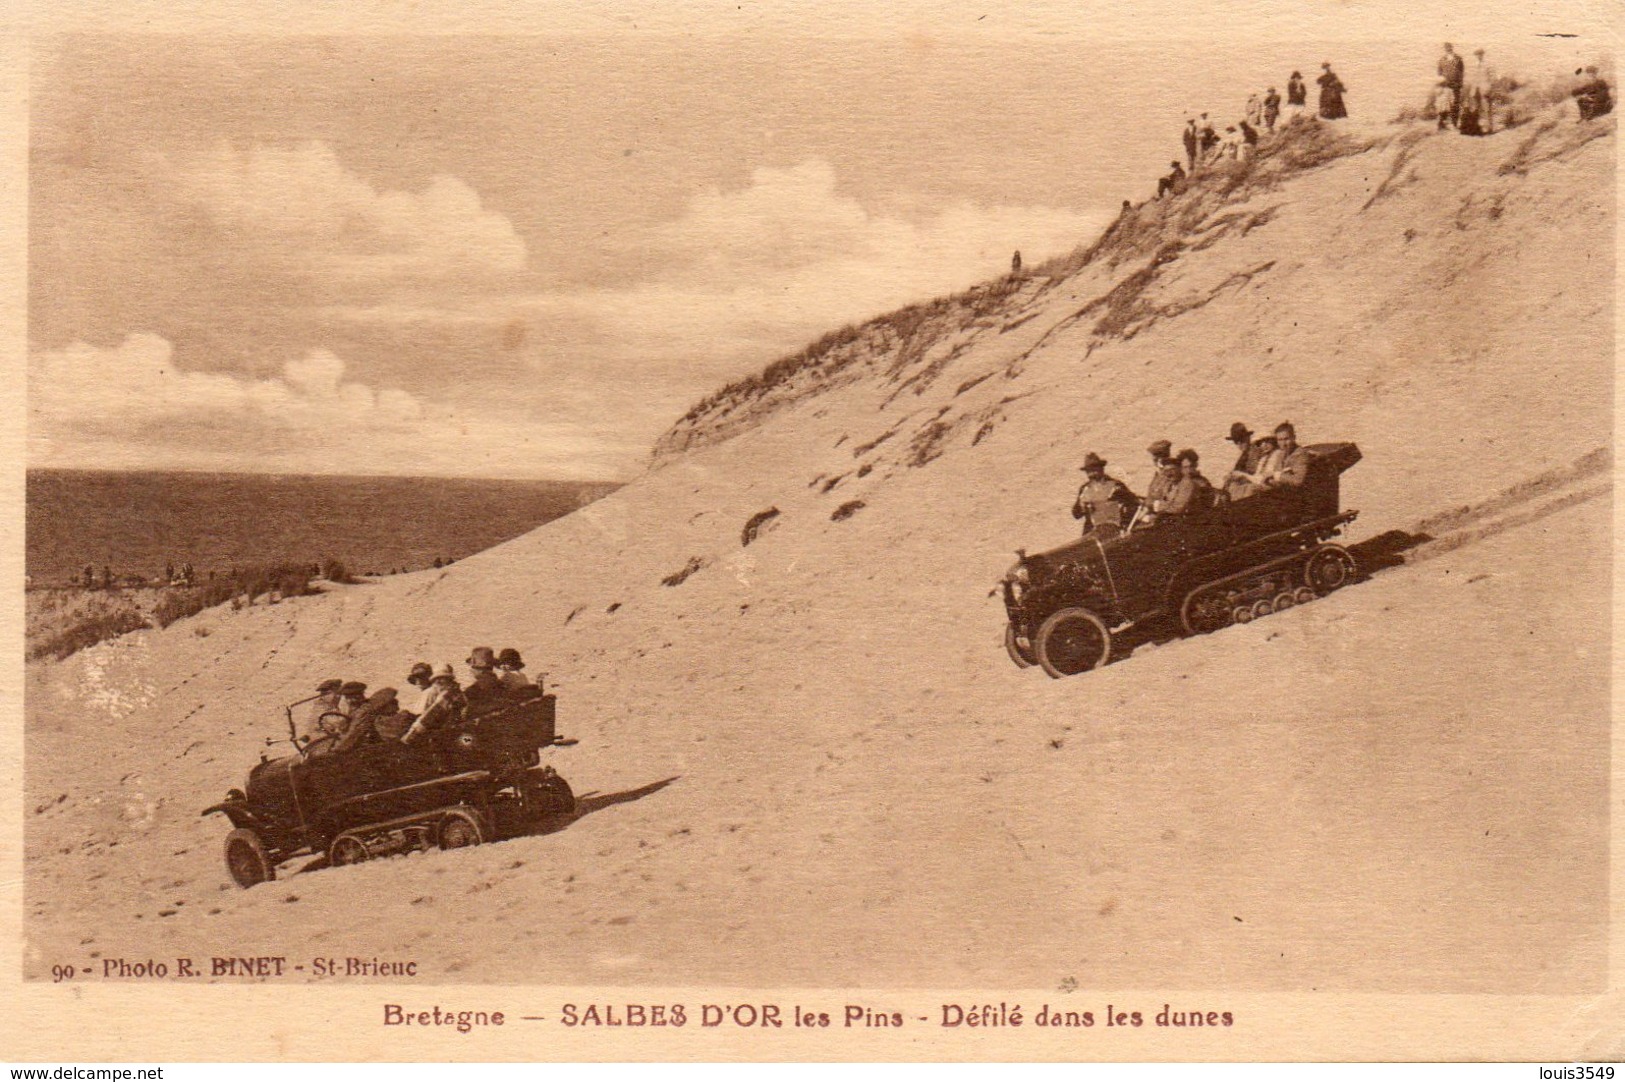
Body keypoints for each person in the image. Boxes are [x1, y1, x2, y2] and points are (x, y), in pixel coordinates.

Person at [1071, 453, 1139, 540]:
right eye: (1089, 471)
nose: (1092, 474)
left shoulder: (1115, 485)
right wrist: (1081, 506)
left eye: (1094, 470)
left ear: (1101, 469)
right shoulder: (1085, 489)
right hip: (1093, 532)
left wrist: (1124, 524)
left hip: (1113, 530)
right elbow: (1076, 515)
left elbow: (1133, 503)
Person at [402, 665, 465, 745]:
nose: (439, 682)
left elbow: (426, 719)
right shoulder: (457, 693)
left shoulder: (446, 696)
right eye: (436, 679)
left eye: (443, 678)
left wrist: (407, 738)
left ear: (450, 680)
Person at [1162, 449, 1216, 516]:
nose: (1189, 470)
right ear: (1180, 468)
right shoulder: (1176, 482)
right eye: (1185, 467)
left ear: (1196, 465)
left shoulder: (1201, 482)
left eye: (1191, 466)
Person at [1259, 422, 1311, 488]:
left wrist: (1275, 475)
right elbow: (1277, 475)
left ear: (1294, 438)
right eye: (1280, 440)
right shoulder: (1281, 454)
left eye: (1286, 439)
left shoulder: (1300, 454)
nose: (1283, 443)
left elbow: (1298, 481)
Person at [298, 678, 346, 743]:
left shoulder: (331, 707)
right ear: (324, 695)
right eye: (336, 694)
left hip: (328, 740)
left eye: (339, 695)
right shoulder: (321, 708)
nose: (338, 697)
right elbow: (338, 723)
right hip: (322, 742)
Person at [1437, 43, 1465, 129]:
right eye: (1446, 48)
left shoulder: (1458, 59)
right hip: (1445, 85)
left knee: (1455, 104)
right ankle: (1442, 124)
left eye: (1449, 47)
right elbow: (1439, 73)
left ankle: (1454, 124)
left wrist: (1460, 83)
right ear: (1445, 49)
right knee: (1444, 105)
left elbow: (1462, 71)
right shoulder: (1442, 60)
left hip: (1456, 85)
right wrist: (1441, 83)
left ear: (1452, 48)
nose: (1448, 49)